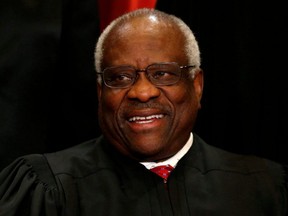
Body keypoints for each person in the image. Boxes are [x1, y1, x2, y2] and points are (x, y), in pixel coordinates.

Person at [0, 8, 287, 216]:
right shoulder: (47, 189)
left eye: (163, 74)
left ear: (197, 85)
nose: (142, 92)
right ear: (100, 93)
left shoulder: (264, 188)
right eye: (120, 77)